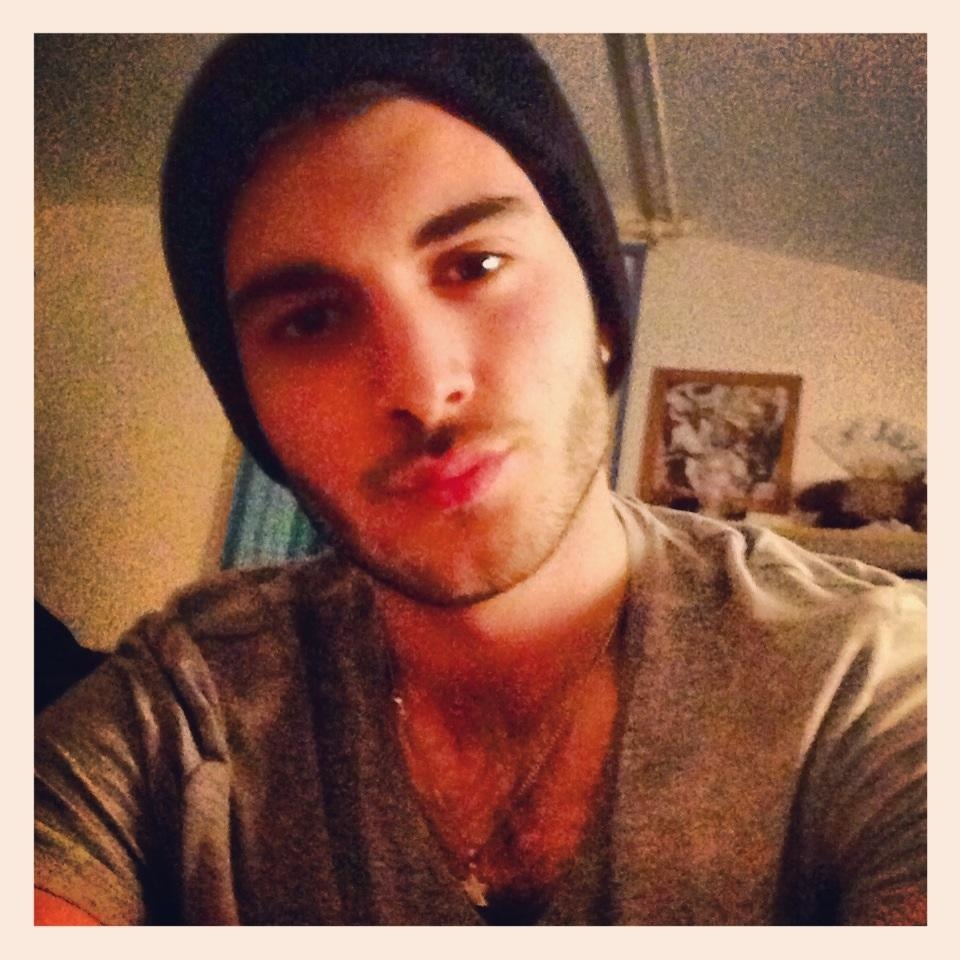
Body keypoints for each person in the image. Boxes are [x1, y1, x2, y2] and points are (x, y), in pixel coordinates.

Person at [34, 34, 926, 926]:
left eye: (476, 265)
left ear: (602, 310)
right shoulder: (185, 706)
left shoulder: (865, 684)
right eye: (310, 321)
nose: (424, 389)